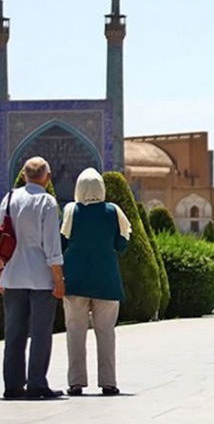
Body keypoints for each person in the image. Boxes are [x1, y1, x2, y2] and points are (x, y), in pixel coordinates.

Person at [60, 168, 131, 397]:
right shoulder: (113, 211)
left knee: (75, 333)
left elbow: (61, 243)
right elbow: (122, 244)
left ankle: (76, 383)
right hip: (106, 281)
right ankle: (108, 383)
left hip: (76, 281)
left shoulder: (71, 210)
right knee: (106, 333)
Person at [0, 156, 65, 399]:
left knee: (14, 333)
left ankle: (13, 386)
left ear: (24, 175)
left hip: (13, 276)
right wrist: (58, 279)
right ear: (47, 179)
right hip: (41, 278)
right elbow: (51, 245)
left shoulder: (8, 199)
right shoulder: (46, 202)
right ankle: (37, 384)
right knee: (40, 333)